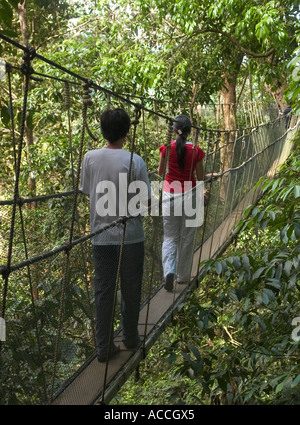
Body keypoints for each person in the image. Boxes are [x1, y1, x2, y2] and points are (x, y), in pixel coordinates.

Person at [80, 108, 151, 362]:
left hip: (101, 236)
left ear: (102, 130)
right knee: (131, 289)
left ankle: (104, 347)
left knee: (103, 290)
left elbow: (88, 191)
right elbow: (145, 203)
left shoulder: (89, 158)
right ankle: (131, 338)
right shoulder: (136, 161)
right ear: (127, 131)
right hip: (130, 236)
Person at [158, 115, 206, 292]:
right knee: (187, 237)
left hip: (170, 195)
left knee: (170, 237)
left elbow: (161, 171)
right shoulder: (196, 150)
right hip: (190, 195)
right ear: (189, 131)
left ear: (174, 129)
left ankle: (169, 270)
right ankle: (183, 276)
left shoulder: (167, 149)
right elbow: (200, 178)